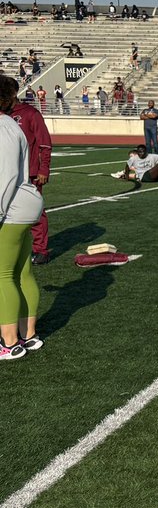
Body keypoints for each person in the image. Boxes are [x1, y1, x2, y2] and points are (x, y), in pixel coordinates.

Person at [0, 76, 44, 360]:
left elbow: (5, 176)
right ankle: (28, 335)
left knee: (3, 275)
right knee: (21, 273)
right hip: (23, 204)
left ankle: (9, 343)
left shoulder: (2, 127)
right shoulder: (9, 125)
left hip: (12, 206)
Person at [8, 89, 52, 265]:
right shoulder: (3, 115)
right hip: (6, 171)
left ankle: (40, 250)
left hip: (29, 173)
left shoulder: (30, 113)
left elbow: (45, 143)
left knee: (35, 211)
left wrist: (44, 169)